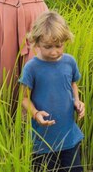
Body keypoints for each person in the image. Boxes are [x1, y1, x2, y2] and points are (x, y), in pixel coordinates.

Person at [19, 11, 85, 172]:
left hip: (68, 136)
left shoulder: (69, 62)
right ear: (36, 43)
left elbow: (72, 83)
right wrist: (35, 114)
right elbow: (24, 98)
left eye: (59, 46)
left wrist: (77, 100)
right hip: (43, 140)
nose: (54, 52)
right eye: (48, 47)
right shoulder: (31, 68)